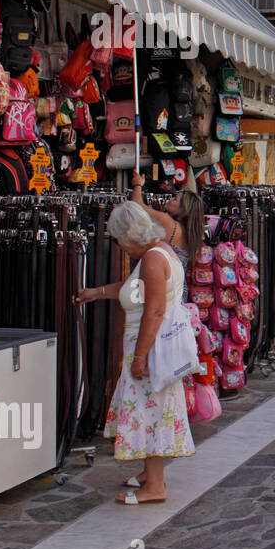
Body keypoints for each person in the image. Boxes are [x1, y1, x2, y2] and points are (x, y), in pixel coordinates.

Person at [74, 202, 194, 505]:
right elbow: (135, 290)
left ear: (129, 235)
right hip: (157, 347)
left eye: (119, 239)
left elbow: (153, 310)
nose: (119, 246)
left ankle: (155, 486)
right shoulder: (163, 251)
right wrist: (96, 293)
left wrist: (139, 357)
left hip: (150, 348)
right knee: (154, 410)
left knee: (149, 412)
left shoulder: (152, 260)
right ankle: (149, 475)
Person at [129, 170, 205, 272]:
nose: (170, 198)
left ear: (183, 209)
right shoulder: (187, 232)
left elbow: (136, 206)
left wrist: (137, 184)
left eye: (174, 199)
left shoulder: (169, 223)